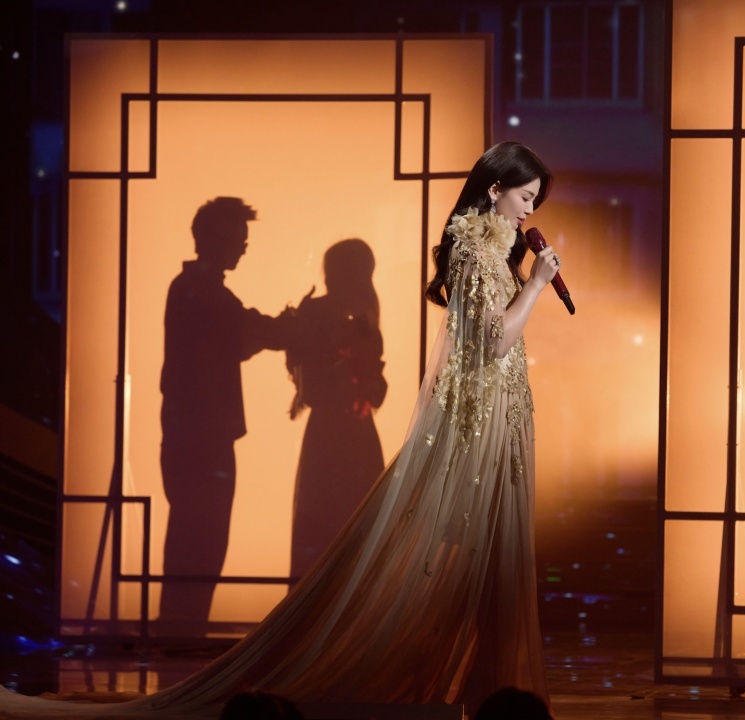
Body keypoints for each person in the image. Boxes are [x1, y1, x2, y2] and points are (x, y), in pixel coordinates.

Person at [0, 142, 560, 718]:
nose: (529, 211)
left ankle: (477, 686)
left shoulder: (484, 256)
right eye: (525, 197)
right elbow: (493, 341)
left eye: (534, 201)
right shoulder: (470, 249)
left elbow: (385, 378)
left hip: (443, 421)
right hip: (253, 435)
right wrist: (537, 285)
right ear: (495, 189)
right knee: (231, 539)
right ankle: (207, 634)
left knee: (480, 559)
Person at [159, 196, 293, 636]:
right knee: (201, 541)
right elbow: (248, 331)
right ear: (215, 240)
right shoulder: (202, 293)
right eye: (239, 240)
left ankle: (182, 629)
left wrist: (280, 327)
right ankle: (182, 631)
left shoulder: (195, 289)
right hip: (202, 438)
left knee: (196, 539)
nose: (243, 249)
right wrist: (292, 326)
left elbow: (245, 332)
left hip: (194, 435)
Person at [286, 239, 387, 582]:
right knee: (335, 527)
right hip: (342, 435)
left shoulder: (358, 317)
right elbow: (315, 385)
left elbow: (375, 388)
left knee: (343, 526)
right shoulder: (329, 315)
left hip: (349, 435)